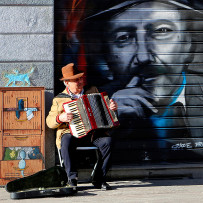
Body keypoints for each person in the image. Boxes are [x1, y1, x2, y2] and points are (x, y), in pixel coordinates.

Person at [75, 0, 203, 161]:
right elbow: (81, 155)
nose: (144, 56)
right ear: (106, 53)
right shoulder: (93, 100)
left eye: (161, 31)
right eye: (124, 37)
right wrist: (111, 122)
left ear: (187, 44)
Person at [46, 63, 118, 190]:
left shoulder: (93, 91)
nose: (80, 81)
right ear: (67, 83)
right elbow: (49, 121)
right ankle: (72, 178)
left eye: (80, 78)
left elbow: (107, 112)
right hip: (72, 133)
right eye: (75, 79)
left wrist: (112, 108)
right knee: (66, 140)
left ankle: (99, 179)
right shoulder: (59, 99)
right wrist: (60, 118)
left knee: (108, 141)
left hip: (93, 133)